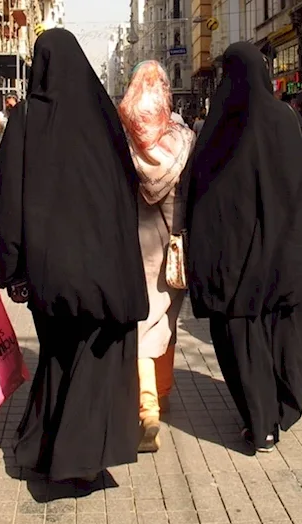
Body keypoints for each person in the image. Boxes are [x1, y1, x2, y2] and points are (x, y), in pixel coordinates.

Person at [0, 29, 148, 482]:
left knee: (57, 354)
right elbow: (125, 193)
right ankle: (76, 455)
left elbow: (3, 200)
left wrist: (14, 266)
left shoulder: (24, 121)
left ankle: (48, 446)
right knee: (92, 358)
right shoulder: (103, 118)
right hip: (104, 268)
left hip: (47, 269)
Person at [183, 42, 302, 453]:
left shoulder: (217, 125)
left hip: (234, 261)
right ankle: (284, 406)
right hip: (288, 252)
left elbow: (199, 197)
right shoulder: (286, 119)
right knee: (287, 332)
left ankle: (261, 421)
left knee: (242, 334)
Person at [117, 61, 194, 453]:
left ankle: (145, 404)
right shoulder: (183, 137)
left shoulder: (120, 137)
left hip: (133, 244)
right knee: (167, 319)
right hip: (174, 244)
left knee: (140, 322)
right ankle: (158, 397)